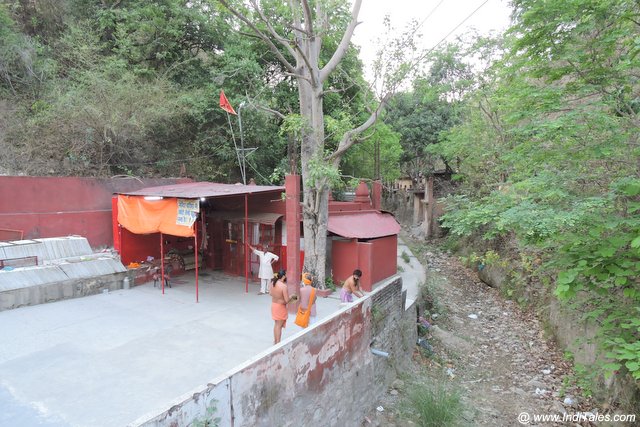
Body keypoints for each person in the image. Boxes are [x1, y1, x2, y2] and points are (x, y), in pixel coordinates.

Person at [269, 269, 297, 344]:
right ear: (284, 276)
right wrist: (292, 297)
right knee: (279, 326)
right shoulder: (283, 286)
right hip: (280, 307)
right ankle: (278, 343)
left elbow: (270, 293)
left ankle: (275, 341)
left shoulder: (273, 283)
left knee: (276, 324)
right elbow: (287, 300)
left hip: (274, 305)